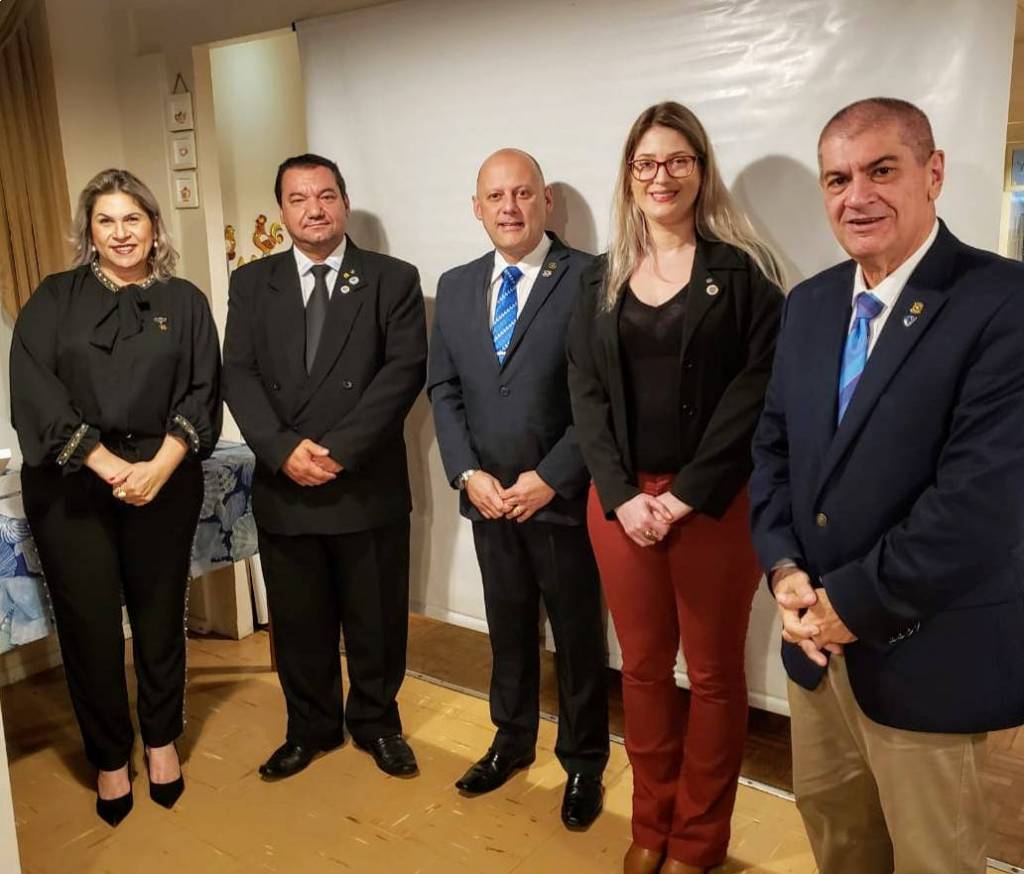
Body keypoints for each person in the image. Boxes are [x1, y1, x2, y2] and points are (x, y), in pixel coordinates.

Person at [750, 97, 1024, 874]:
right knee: (838, 840)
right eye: (838, 179)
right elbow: (773, 450)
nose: (857, 196)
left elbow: (980, 505)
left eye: (881, 170)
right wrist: (784, 568)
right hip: (815, 651)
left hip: (924, 656)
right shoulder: (809, 305)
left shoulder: (1003, 302)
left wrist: (848, 606)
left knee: (935, 859)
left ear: (933, 174)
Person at [567, 102, 784, 874]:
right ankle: (651, 824)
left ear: (701, 169)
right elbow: (584, 393)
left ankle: (698, 840)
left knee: (716, 677)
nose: (662, 176)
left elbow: (755, 395)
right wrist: (623, 495)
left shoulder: (746, 276)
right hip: (621, 507)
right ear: (629, 176)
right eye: (646, 163)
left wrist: (685, 494)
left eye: (678, 161)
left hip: (714, 507)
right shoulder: (597, 280)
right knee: (643, 669)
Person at [9, 168, 222, 825]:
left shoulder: (185, 300)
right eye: (107, 220)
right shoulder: (54, 298)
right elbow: (34, 390)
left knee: (159, 618)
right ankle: (107, 756)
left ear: (154, 226)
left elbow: (203, 390)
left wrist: (158, 466)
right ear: (90, 232)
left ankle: (160, 740)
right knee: (91, 628)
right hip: (72, 485)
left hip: (164, 476)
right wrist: (105, 464)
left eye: (133, 218)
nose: (121, 233)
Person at [223, 153, 426, 781]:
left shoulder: (391, 279)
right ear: (282, 210)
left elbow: (402, 374)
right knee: (299, 621)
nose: (315, 209)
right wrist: (282, 449)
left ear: (344, 201)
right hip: (286, 483)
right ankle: (309, 728)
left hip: (364, 482)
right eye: (299, 198)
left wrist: (336, 451)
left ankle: (377, 723)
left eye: (326, 195)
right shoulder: (252, 283)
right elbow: (239, 373)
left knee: (376, 619)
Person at [428, 148, 609, 828]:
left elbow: (602, 399)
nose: (509, 207)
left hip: (562, 499)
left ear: (546, 202)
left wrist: (551, 477)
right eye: (496, 196)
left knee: (578, 637)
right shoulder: (455, 286)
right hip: (488, 500)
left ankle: (584, 761)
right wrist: (467, 473)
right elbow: (444, 389)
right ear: (476, 208)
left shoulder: (591, 278)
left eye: (523, 193)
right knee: (507, 629)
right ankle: (511, 740)